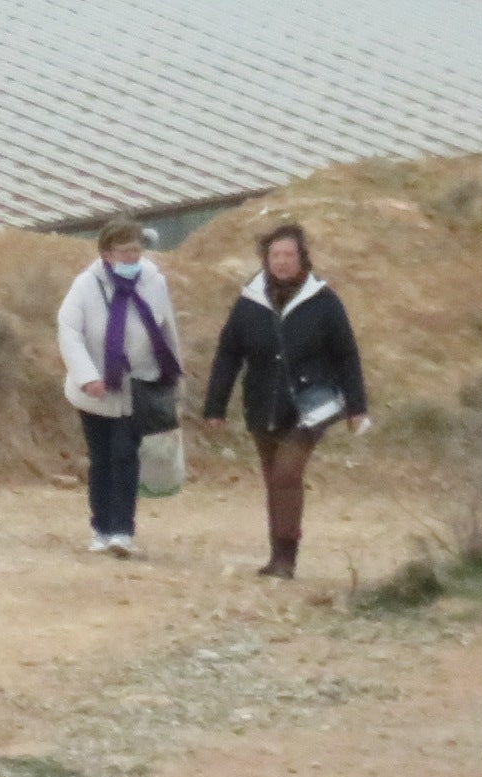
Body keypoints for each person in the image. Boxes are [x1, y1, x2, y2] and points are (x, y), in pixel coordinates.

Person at [202, 221, 369, 579]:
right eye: (275, 254)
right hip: (262, 402)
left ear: (302, 258)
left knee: (286, 474)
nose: (281, 261)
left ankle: (286, 559)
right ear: (266, 258)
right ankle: (277, 553)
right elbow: (229, 353)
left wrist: (357, 406)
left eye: (288, 255)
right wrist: (215, 405)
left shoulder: (324, 302)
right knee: (273, 478)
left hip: (312, 405)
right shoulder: (250, 302)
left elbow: (346, 355)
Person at [57, 218, 182, 558]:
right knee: (101, 458)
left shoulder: (153, 280)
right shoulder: (85, 285)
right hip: (95, 389)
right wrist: (87, 376)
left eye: (136, 250)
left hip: (137, 385)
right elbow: (69, 332)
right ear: (107, 253)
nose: (132, 257)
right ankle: (101, 528)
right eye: (124, 251)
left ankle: (122, 532)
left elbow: (166, 326)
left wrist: (171, 372)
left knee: (125, 455)